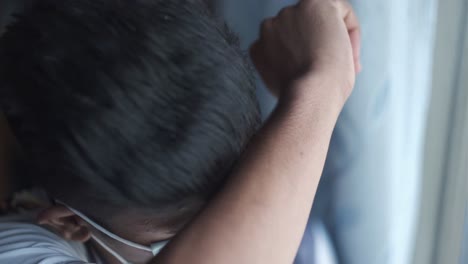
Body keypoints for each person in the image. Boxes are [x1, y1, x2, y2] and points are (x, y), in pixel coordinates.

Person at [0, 0, 361, 263]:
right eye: (177, 235)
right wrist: (323, 87)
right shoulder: (19, 251)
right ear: (73, 225)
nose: (235, 220)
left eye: (239, 187)